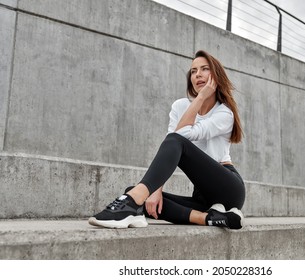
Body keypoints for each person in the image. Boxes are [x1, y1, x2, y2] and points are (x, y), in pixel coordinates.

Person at [89, 50, 246, 230]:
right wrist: (156, 189)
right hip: (201, 196)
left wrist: (201, 96)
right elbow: (169, 148)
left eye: (204, 69)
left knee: (141, 190)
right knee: (143, 196)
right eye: (193, 71)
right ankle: (210, 218)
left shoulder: (225, 113)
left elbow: (181, 137)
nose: (198, 75)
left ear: (216, 77)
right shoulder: (180, 106)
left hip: (228, 188)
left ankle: (130, 203)